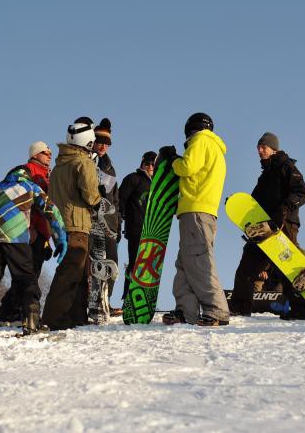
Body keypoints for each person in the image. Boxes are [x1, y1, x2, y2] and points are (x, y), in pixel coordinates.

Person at [0, 164, 67, 335]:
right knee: (26, 280)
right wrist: (61, 238)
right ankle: (31, 322)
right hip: (16, 239)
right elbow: (51, 209)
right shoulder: (30, 187)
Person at [228, 132, 305, 319]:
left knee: (288, 264)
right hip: (263, 226)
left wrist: (284, 209)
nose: (259, 150)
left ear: (273, 148)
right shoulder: (265, 175)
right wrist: (238, 207)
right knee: (248, 263)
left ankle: (301, 308)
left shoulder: (286, 166)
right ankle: (240, 306)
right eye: (258, 147)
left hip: (285, 223)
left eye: (263, 147)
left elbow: (302, 193)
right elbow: (254, 202)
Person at [161, 113, 231, 326]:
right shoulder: (215, 149)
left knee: (199, 261)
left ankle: (217, 310)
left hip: (197, 210)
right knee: (185, 262)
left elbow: (187, 167)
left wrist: (174, 160)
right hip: (200, 211)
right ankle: (186, 310)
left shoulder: (201, 141)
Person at [41, 119, 102, 330]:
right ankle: (52, 318)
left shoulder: (58, 166)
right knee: (69, 272)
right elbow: (91, 196)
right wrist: (99, 198)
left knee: (78, 272)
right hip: (76, 224)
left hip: (59, 224)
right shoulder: (83, 162)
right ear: (87, 142)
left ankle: (76, 316)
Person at [0, 141, 55, 326]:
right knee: (27, 275)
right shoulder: (27, 171)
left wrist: (47, 239)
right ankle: (11, 313)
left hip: (42, 232)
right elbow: (24, 203)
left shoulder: (47, 174)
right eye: (46, 152)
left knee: (31, 274)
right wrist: (31, 228)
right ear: (36, 154)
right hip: (28, 230)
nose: (49, 155)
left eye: (50, 153)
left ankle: (10, 312)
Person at [91, 118, 122, 313]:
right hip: (91, 221)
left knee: (111, 263)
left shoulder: (110, 167)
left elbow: (115, 199)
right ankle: (90, 303)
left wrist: (117, 223)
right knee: (93, 263)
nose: (103, 146)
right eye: (99, 141)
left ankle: (105, 301)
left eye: (107, 143)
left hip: (108, 223)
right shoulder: (87, 160)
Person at [119, 151, 156, 301]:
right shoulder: (133, 179)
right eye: (147, 163)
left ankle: (144, 298)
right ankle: (128, 295)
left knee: (149, 265)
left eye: (153, 164)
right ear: (142, 163)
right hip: (136, 228)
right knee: (135, 262)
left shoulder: (157, 185)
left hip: (153, 230)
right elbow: (120, 199)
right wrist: (119, 220)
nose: (150, 166)